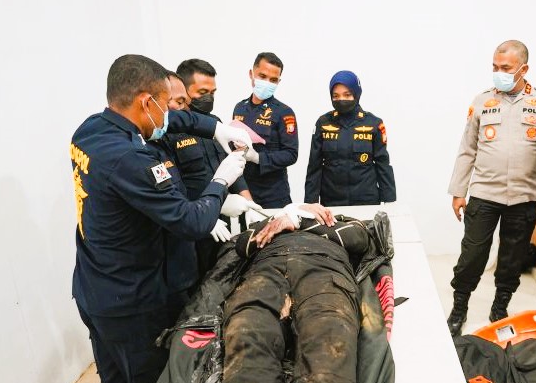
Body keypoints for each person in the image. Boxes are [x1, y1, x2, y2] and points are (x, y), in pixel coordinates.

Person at [69, 54, 253, 383]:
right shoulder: (130, 158)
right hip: (132, 305)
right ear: (145, 102)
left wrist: (215, 128)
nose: (169, 114)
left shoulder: (90, 130)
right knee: (152, 382)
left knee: (115, 381)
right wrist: (220, 183)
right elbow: (192, 223)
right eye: (166, 105)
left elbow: (177, 121)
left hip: (95, 288)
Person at [446, 40, 536, 336]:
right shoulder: (482, 101)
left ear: (524, 69)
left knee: (512, 258)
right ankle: (459, 307)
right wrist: (458, 191)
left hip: (524, 196)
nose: (499, 73)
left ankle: (500, 306)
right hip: (484, 193)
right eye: (495, 67)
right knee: (472, 255)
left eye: (506, 68)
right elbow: (467, 149)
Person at [220, 204, 394, 383]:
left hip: (323, 270)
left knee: (329, 344)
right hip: (266, 272)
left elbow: (360, 239)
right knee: (245, 336)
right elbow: (243, 245)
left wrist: (298, 220)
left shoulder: (336, 221)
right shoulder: (273, 222)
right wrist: (283, 215)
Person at [167, 59, 256, 277]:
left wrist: (249, 203)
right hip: (193, 223)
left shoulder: (215, 125)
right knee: (197, 279)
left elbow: (231, 165)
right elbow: (172, 185)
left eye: (212, 92)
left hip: (225, 219)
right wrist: (204, 214)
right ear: (183, 91)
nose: (209, 98)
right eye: (202, 92)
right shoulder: (168, 131)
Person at [304, 70, 396, 206]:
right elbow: (314, 166)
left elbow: (382, 164)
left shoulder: (373, 123)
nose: (341, 100)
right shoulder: (323, 123)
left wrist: (389, 201)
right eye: (336, 96)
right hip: (331, 201)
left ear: (356, 94)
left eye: (347, 95)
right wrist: (310, 203)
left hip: (366, 200)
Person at [233, 52, 299, 208]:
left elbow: (291, 154)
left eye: (273, 80)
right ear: (251, 74)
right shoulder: (239, 108)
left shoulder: (284, 112)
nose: (267, 83)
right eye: (262, 76)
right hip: (245, 191)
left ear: (279, 81)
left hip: (273, 194)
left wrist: (258, 157)